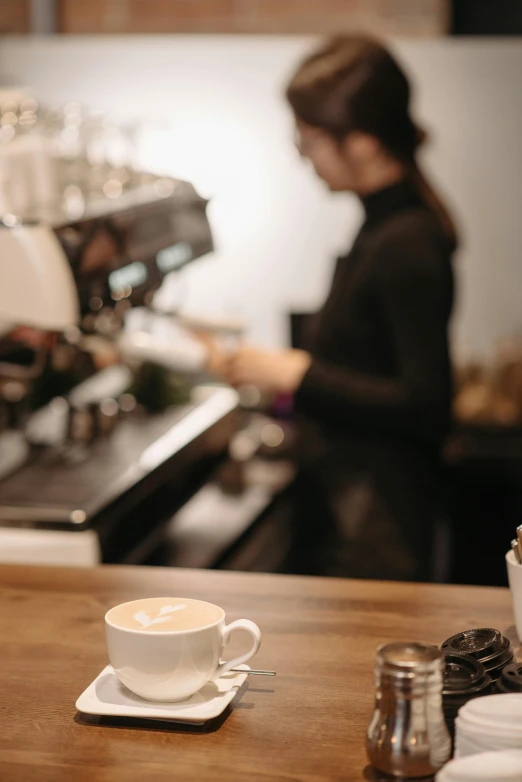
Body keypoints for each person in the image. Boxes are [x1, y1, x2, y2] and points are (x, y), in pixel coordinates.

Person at [209, 36, 458, 581]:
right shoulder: (381, 225)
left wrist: (298, 373)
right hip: (355, 503)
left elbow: (426, 404)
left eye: (311, 140)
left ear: (364, 141)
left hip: (378, 518)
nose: (303, 157)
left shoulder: (405, 241)